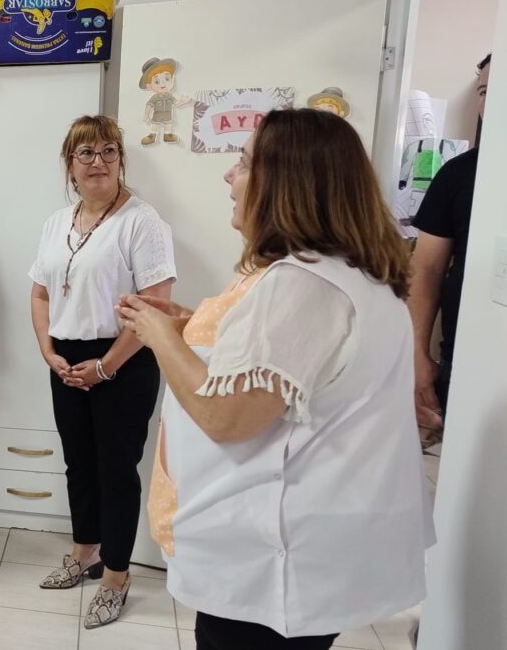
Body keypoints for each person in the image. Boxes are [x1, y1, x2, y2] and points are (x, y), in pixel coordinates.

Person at [119, 108, 432, 650]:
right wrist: (190, 327)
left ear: (284, 183)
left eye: (241, 163)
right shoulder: (349, 274)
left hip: (271, 564)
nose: (228, 177)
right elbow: (279, 364)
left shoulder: (302, 286)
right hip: (309, 549)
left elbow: (226, 415)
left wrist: (159, 334)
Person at [28, 115, 176, 629]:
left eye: (108, 151)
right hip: (66, 360)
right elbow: (42, 291)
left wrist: (107, 367)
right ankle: (85, 552)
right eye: (85, 153)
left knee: (116, 472)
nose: (98, 162)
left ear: (120, 160)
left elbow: (155, 305)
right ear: (69, 164)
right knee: (80, 465)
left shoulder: (142, 221)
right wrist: (49, 351)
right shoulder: (56, 222)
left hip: (123, 361)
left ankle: (116, 576)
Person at [409, 53, 491, 446]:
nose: (489, 103)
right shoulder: (459, 173)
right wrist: (417, 355)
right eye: (484, 92)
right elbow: (424, 270)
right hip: (467, 355)